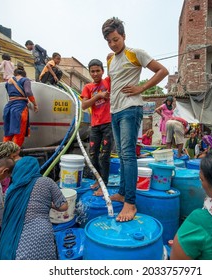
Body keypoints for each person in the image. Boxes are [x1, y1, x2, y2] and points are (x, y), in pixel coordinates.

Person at [102, 17, 168, 222]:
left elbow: (162, 71)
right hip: (115, 111)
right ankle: (122, 192)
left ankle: (130, 203)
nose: (113, 44)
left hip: (131, 109)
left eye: (116, 39)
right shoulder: (110, 59)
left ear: (123, 36)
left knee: (129, 155)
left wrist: (141, 88)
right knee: (121, 155)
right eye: (109, 41)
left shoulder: (135, 53)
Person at [0, 157, 68, 260]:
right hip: (41, 233)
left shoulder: (10, 190)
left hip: (11, 241)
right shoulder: (46, 182)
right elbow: (63, 206)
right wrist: (48, 203)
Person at [81, 59, 112, 191]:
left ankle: (104, 183)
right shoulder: (88, 87)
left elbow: (113, 62)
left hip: (108, 124)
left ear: (102, 71)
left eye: (97, 71)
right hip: (95, 126)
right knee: (92, 155)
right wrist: (98, 95)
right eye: (92, 71)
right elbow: (84, 105)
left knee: (104, 155)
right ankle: (98, 180)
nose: (95, 74)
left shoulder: (108, 81)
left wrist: (109, 58)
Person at [3, 64, 38, 147]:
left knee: (8, 132)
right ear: (24, 74)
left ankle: (4, 152)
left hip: (8, 108)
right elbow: (28, 92)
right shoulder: (25, 80)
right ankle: (15, 154)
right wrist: (35, 104)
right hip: (20, 108)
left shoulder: (8, 81)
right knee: (19, 132)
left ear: (15, 74)